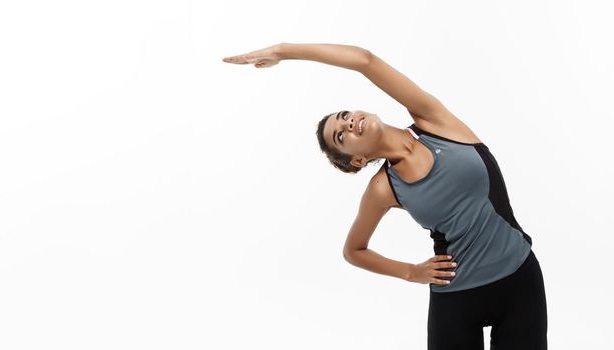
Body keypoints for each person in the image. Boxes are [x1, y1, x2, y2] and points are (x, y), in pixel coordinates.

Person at [223, 42, 547, 350]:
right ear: (357, 160)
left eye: (345, 115)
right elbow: (354, 250)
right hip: (456, 295)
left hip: (519, 278)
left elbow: (364, 60)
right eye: (342, 134)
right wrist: (410, 272)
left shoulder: (433, 120)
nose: (350, 123)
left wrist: (283, 51)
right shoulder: (384, 188)